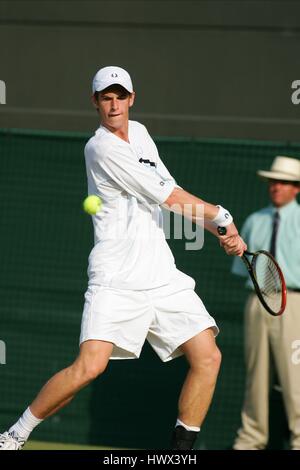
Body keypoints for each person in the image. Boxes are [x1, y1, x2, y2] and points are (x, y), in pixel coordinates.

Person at [0, 66, 246, 451]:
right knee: (90, 367)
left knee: (208, 357)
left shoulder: (142, 135)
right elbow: (168, 199)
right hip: (117, 278)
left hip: (163, 276)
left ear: (132, 98)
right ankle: (14, 435)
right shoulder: (100, 148)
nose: (113, 105)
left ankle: (178, 454)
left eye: (120, 96)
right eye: (105, 97)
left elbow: (172, 189)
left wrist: (219, 231)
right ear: (95, 102)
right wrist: (223, 219)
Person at [231, 156, 300, 450]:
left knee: (295, 375)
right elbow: (242, 269)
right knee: (256, 376)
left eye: (283, 182)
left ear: (296, 188)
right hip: (257, 302)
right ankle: (250, 441)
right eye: (273, 181)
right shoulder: (254, 221)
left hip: (295, 302)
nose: (276, 187)